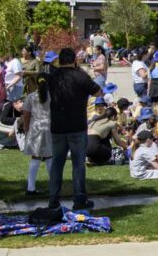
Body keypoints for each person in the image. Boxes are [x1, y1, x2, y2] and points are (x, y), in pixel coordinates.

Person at [47, 48, 102, 210]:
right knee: (78, 164)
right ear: (74, 60)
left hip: (57, 126)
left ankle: (53, 199)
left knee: (57, 163)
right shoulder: (80, 76)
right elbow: (98, 92)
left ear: (60, 60)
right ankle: (79, 199)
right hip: (77, 125)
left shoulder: (53, 77)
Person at [21, 75, 53, 196]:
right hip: (49, 127)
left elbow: (26, 115)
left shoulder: (31, 96)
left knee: (35, 157)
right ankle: (53, 186)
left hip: (36, 127)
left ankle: (31, 187)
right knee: (50, 156)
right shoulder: (53, 96)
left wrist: (26, 130)